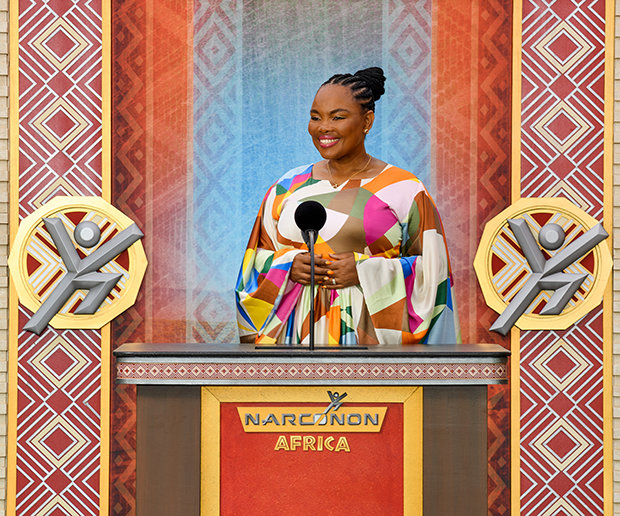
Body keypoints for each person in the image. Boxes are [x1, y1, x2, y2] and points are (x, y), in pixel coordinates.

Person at [236, 67, 460, 346]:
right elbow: (253, 264)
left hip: (367, 343)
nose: (323, 127)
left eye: (337, 117)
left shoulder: (404, 189)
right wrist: (288, 266)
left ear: (367, 121)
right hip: (293, 340)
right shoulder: (287, 187)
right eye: (315, 117)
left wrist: (364, 271)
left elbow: (435, 275)